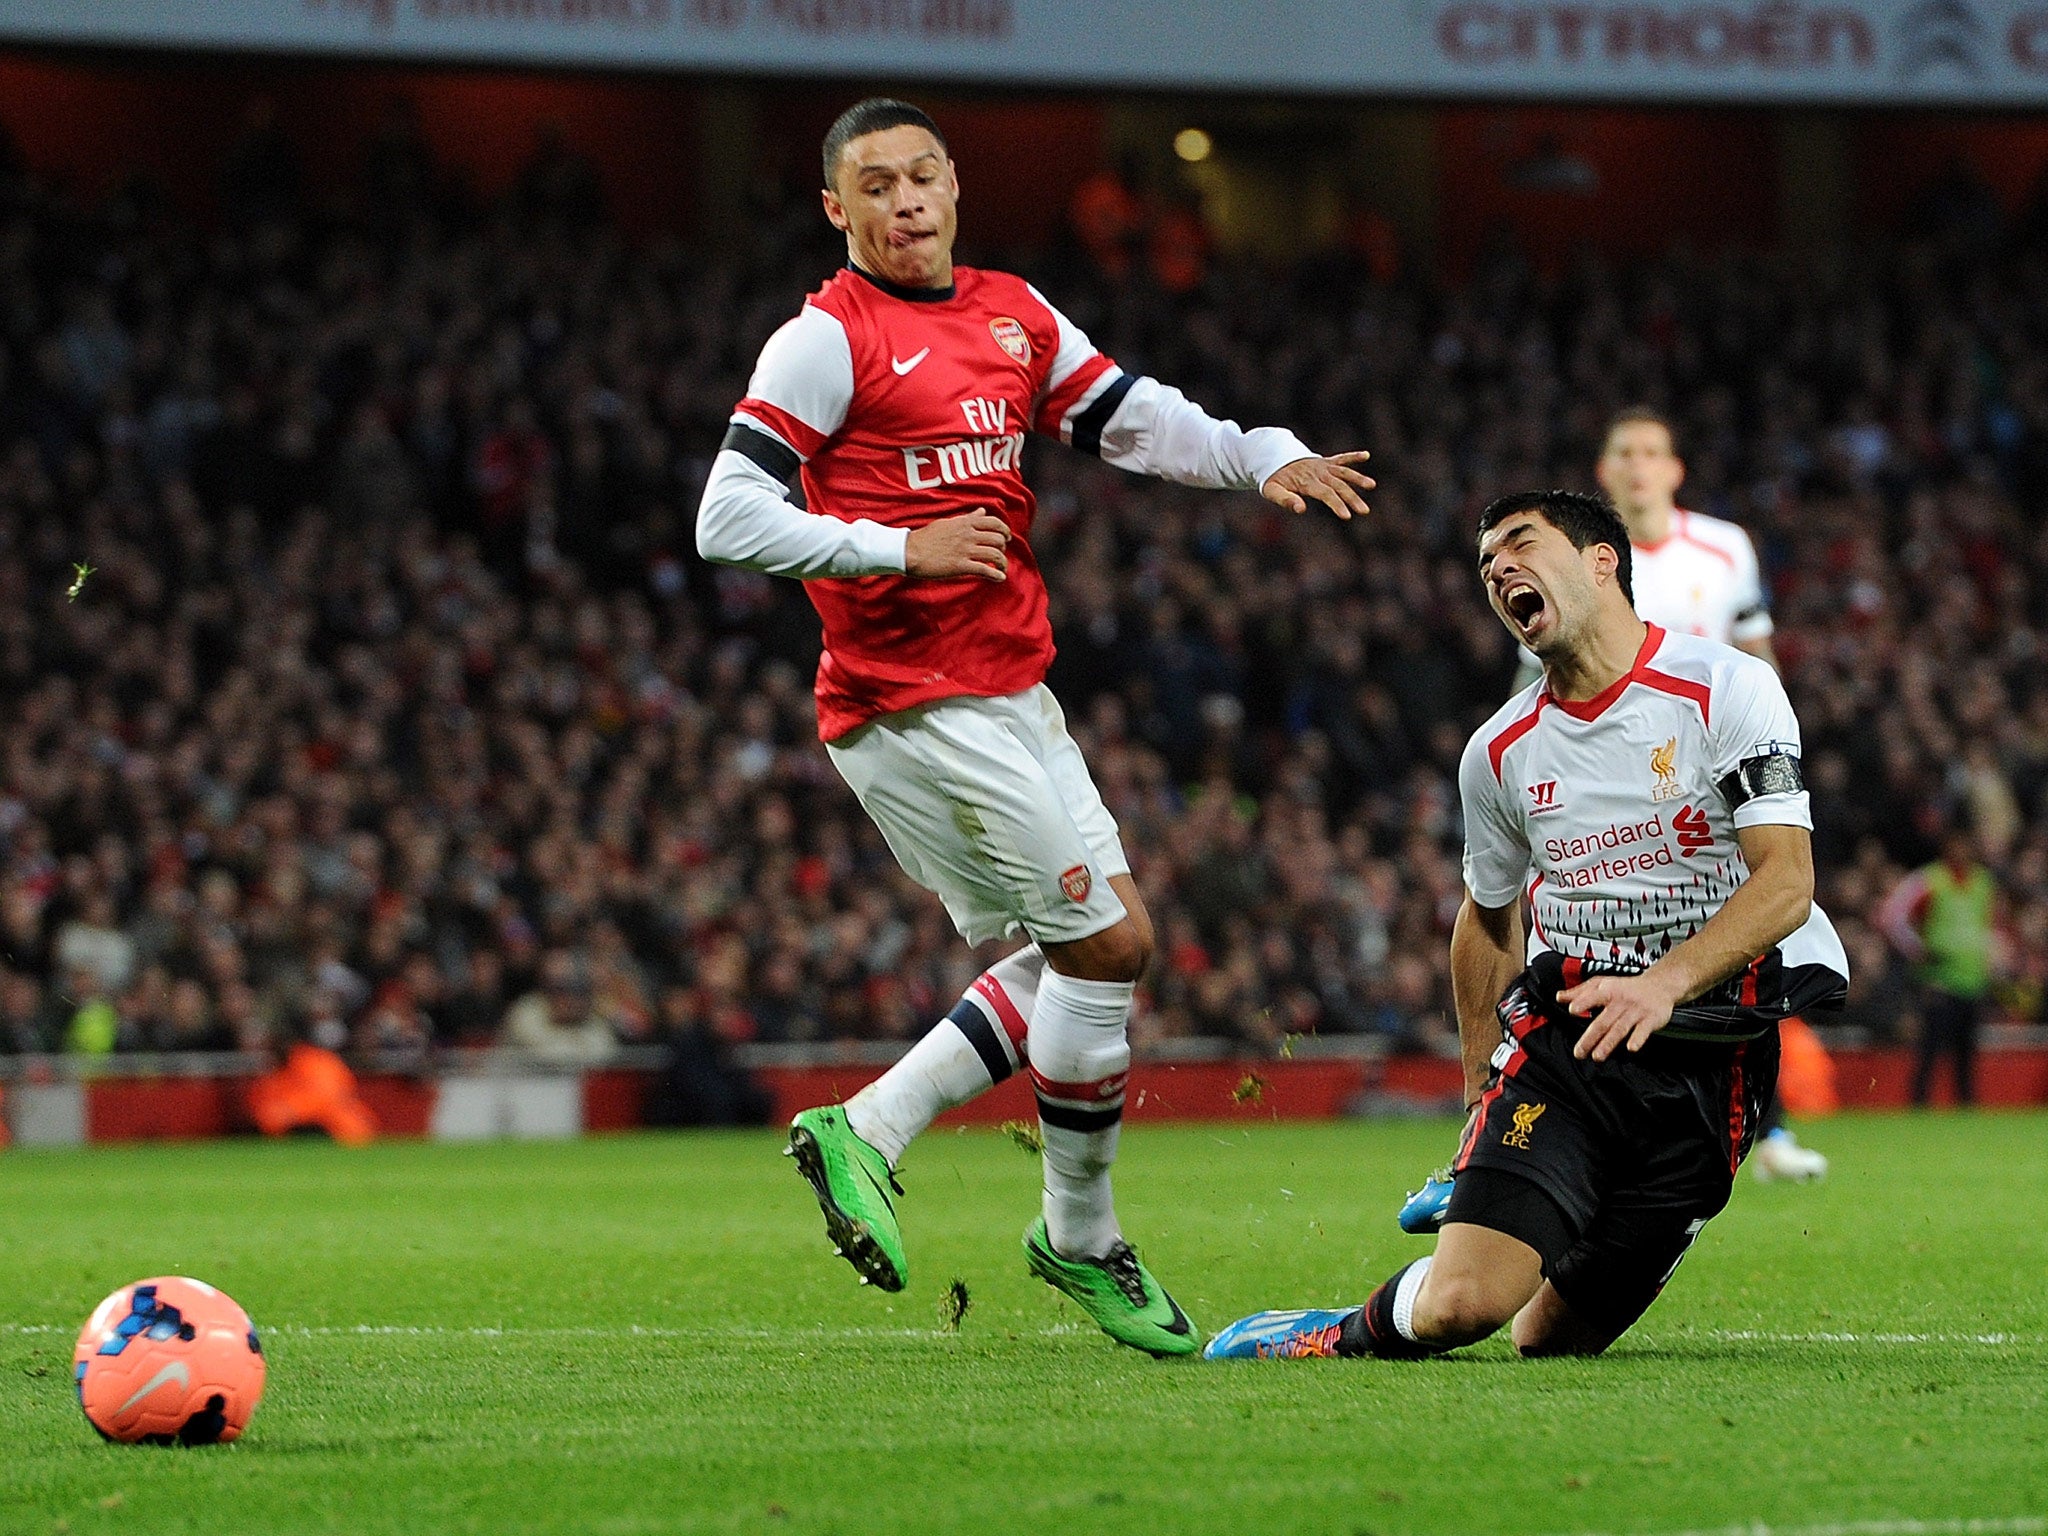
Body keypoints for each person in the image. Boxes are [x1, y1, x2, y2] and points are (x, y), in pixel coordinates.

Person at [694, 98, 1372, 1356]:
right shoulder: (824, 340)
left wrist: (1255, 453)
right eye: (875, 187)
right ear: (835, 210)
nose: (904, 203)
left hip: (1012, 689)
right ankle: (1073, 1233)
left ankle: (882, 1133)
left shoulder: (1012, 310)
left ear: (954, 188)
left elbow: (1131, 417)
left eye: (923, 179)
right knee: (1108, 945)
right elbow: (725, 517)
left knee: (1089, 955)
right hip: (910, 704)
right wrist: (899, 546)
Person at [1206, 490, 1846, 1362]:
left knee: (1548, 1341)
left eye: (1520, 543)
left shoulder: (1725, 688)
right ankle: (1327, 1331)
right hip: (1565, 1051)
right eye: (1485, 564)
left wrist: (1662, 983)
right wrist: (1478, 1092)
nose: (1499, 567)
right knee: (1462, 1308)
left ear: (1601, 562)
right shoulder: (1499, 750)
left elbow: (1788, 882)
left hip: (1713, 1060)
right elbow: (1488, 915)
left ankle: (1551, 1219)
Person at [1403, 409, 1821, 1231]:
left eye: (1649, 452)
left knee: (1761, 924)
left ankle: (1759, 1124)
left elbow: (1757, 653)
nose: (1635, 467)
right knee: (1573, 942)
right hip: (1599, 781)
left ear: (1674, 468)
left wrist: (1771, 752)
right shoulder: (1554, 585)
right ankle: (1500, 1141)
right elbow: (1546, 674)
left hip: (1712, 768)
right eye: (1620, 454)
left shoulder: (1723, 552)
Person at [1879, 823, 1999, 1106]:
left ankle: (1966, 1105)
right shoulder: (1929, 880)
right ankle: (1919, 1104)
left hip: (1972, 978)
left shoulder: (1983, 882)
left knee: (1967, 1053)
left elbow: (1986, 927)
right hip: (1938, 980)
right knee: (1930, 1051)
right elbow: (1892, 917)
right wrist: (1919, 951)